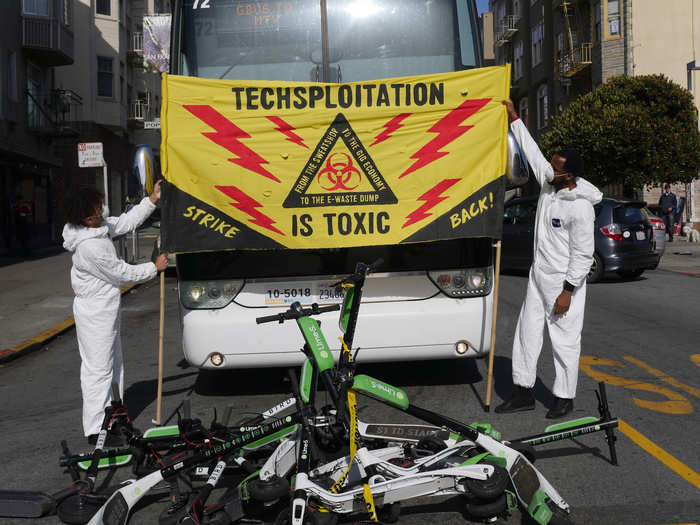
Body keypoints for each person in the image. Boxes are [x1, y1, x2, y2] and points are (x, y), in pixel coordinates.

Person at [496, 100, 603, 419]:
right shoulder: (549, 185)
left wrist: (568, 291)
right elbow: (532, 153)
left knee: (565, 341)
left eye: (557, 169)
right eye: (553, 166)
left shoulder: (580, 208)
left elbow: (583, 255)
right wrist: (514, 119)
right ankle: (523, 391)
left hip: (562, 283)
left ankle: (564, 397)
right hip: (537, 277)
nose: (550, 170)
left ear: (570, 176)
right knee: (526, 334)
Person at [62, 182, 168, 445]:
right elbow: (122, 273)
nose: (103, 210)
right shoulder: (90, 247)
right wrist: (153, 268)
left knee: (113, 364)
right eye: (99, 208)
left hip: (104, 309)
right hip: (95, 312)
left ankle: (113, 413)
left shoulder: (96, 229)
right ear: (88, 217)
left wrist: (152, 199)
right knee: (98, 369)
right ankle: (97, 429)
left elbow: (124, 222)